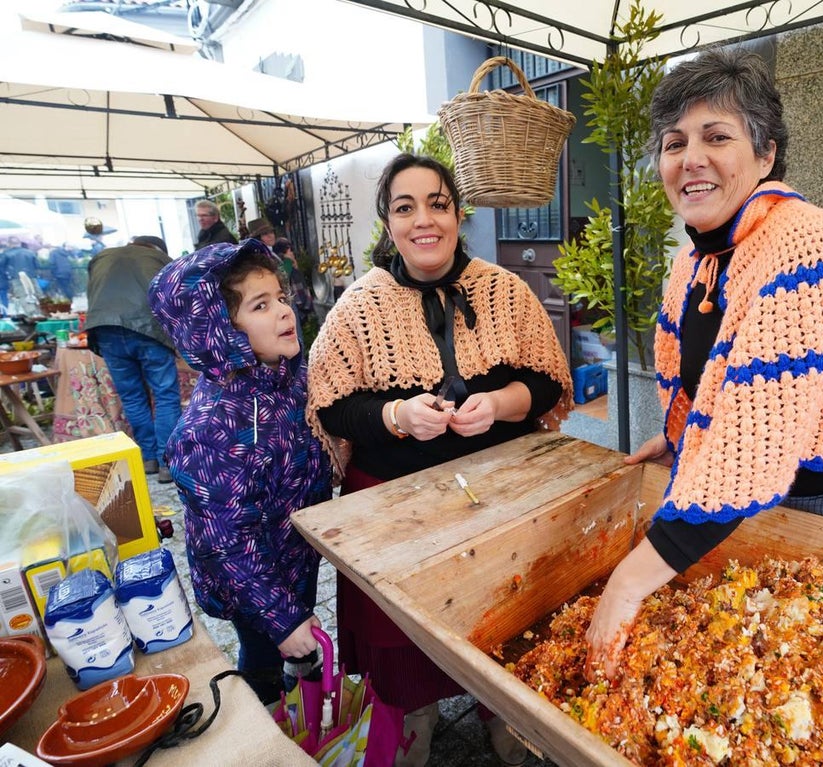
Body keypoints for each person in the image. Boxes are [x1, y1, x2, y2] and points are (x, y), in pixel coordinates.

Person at [584, 48, 823, 679]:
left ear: (765, 155)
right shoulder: (693, 261)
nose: (691, 159)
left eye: (717, 137)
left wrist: (629, 583)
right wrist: (684, 432)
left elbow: (751, 436)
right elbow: (721, 382)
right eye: (674, 141)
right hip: (761, 501)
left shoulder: (805, 244)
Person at [306, 154, 573, 766]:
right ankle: (412, 721)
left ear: (457, 213)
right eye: (405, 207)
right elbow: (332, 406)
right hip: (394, 508)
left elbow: (547, 383)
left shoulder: (505, 290)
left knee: (503, 613)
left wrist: (502, 404)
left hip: (499, 494)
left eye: (437, 203)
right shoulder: (358, 307)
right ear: (387, 222)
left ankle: (506, 711)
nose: (424, 220)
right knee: (403, 635)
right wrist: (396, 417)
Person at [148, 238, 333, 704]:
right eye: (261, 305)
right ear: (220, 330)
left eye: (282, 298)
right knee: (265, 651)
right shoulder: (211, 429)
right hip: (246, 583)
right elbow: (227, 539)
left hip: (292, 554)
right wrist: (282, 617)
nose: (285, 312)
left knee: (296, 637)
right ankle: (264, 712)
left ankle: (297, 682)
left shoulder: (290, 378)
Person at [85, 235, 183, 484]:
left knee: (132, 396)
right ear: (155, 248)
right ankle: (167, 463)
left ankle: (148, 458)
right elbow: (175, 298)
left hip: (105, 328)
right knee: (165, 396)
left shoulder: (102, 257)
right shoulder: (159, 258)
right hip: (148, 330)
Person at [271, 237, 313, 324]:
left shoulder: (283, 263)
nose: (292, 252)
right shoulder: (287, 262)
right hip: (296, 303)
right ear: (287, 250)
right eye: (290, 250)